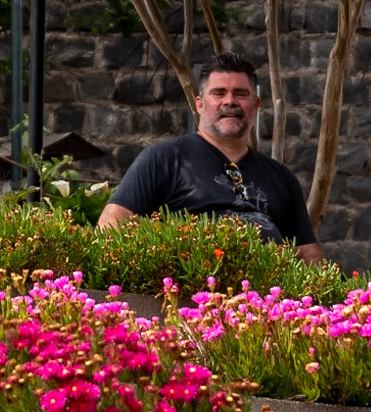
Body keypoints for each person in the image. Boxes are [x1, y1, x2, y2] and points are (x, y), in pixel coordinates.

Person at [97, 52, 323, 264]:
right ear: (200, 104)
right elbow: (111, 227)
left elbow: (309, 255)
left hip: (265, 298)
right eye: (219, 93)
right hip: (190, 297)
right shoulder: (162, 160)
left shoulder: (282, 177)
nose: (230, 101)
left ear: (255, 106)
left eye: (241, 94)